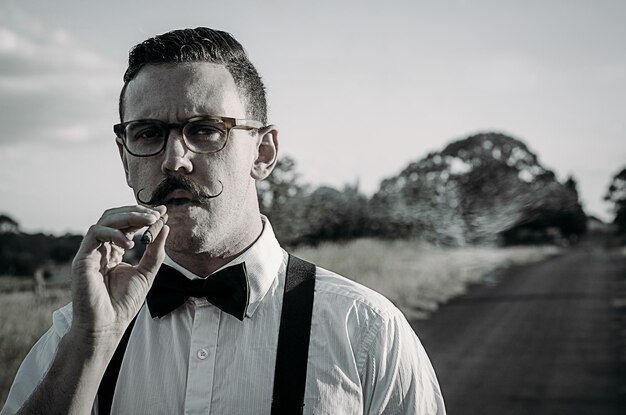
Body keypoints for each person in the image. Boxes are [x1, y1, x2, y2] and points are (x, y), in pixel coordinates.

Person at [1, 27, 446, 415]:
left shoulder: (366, 329)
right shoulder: (72, 335)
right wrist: (91, 343)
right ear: (125, 159)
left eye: (206, 130)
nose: (175, 160)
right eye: (148, 134)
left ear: (264, 153)